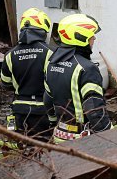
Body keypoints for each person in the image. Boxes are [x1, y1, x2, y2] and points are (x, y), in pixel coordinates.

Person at [44, 14, 111, 143]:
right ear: (81, 37)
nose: (94, 38)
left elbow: (48, 100)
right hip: (81, 140)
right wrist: (108, 137)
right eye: (91, 35)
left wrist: (53, 122)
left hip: (59, 136)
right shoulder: (87, 68)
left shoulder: (51, 63)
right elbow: (95, 110)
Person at [0, 8, 53, 140]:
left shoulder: (10, 55)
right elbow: (55, 83)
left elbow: (5, 84)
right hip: (43, 112)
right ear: (43, 30)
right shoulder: (50, 53)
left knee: (22, 151)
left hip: (19, 111)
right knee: (43, 151)